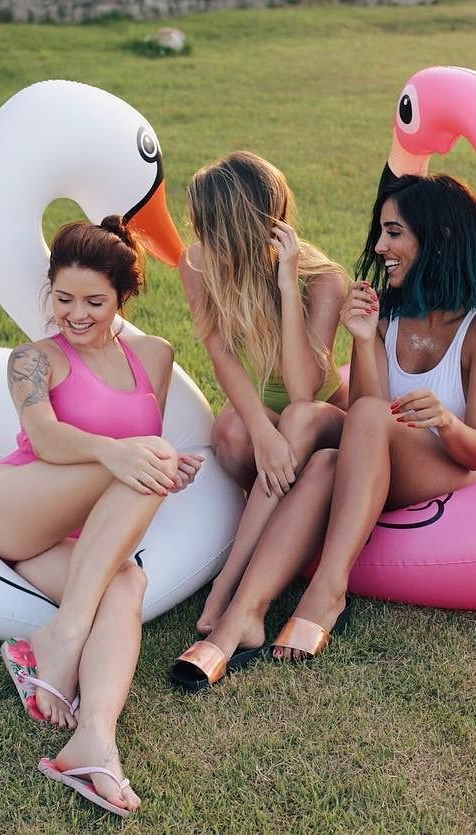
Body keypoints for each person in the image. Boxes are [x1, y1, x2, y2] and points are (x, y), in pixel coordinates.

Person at [171, 173, 476, 685]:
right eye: (381, 232)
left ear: (438, 236)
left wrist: (444, 420)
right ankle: (243, 615)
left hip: (449, 463)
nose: (379, 247)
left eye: (394, 233)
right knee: (318, 441)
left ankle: (327, 590)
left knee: (367, 416)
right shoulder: (384, 312)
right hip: (375, 459)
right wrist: (364, 338)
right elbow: (365, 416)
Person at [0, 217, 201, 816]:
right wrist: (122, 453)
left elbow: (137, 458)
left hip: (69, 542)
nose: (76, 314)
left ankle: (94, 741)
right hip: (7, 506)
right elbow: (44, 439)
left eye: (95, 301)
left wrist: (166, 467)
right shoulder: (33, 360)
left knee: (129, 583)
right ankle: (63, 637)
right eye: (64, 298)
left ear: (123, 296)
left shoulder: (155, 356)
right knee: (150, 456)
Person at [174, 152, 350, 665]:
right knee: (231, 432)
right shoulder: (198, 263)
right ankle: (279, 520)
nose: (203, 239)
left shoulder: (324, 280)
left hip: (321, 418)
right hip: (273, 420)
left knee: (295, 418)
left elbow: (303, 390)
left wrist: (288, 285)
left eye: (212, 229)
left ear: (245, 229)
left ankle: (228, 587)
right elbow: (221, 354)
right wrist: (260, 430)